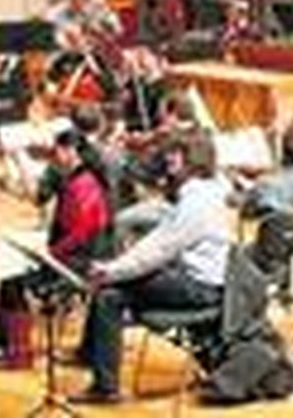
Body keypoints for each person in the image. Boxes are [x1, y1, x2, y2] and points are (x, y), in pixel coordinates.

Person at [74, 135, 231, 404]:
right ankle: (104, 382)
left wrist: (110, 272)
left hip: (199, 288)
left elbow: (157, 254)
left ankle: (103, 382)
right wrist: (114, 268)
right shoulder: (201, 192)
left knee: (108, 289)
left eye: (177, 153)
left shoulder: (196, 202)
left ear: (192, 160)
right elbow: (156, 241)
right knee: (109, 296)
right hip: (193, 280)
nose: (169, 159)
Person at [0, 130, 111, 369]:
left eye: (58, 150)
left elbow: (80, 234)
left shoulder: (84, 185)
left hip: (78, 262)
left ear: (71, 152)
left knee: (16, 285)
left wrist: (50, 254)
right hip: (67, 253)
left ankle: (21, 355)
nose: (55, 156)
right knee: (9, 280)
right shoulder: (74, 178)